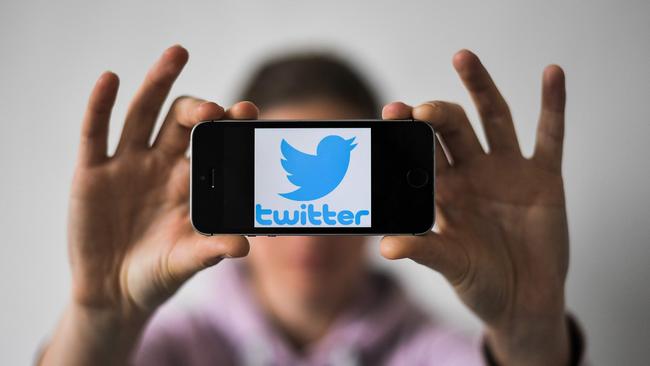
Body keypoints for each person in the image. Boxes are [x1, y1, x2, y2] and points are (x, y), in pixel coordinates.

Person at [39, 45, 586, 365]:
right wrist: (100, 317)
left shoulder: (431, 350)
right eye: (278, 185)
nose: (313, 235)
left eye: (343, 188)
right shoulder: (175, 348)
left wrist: (528, 330)